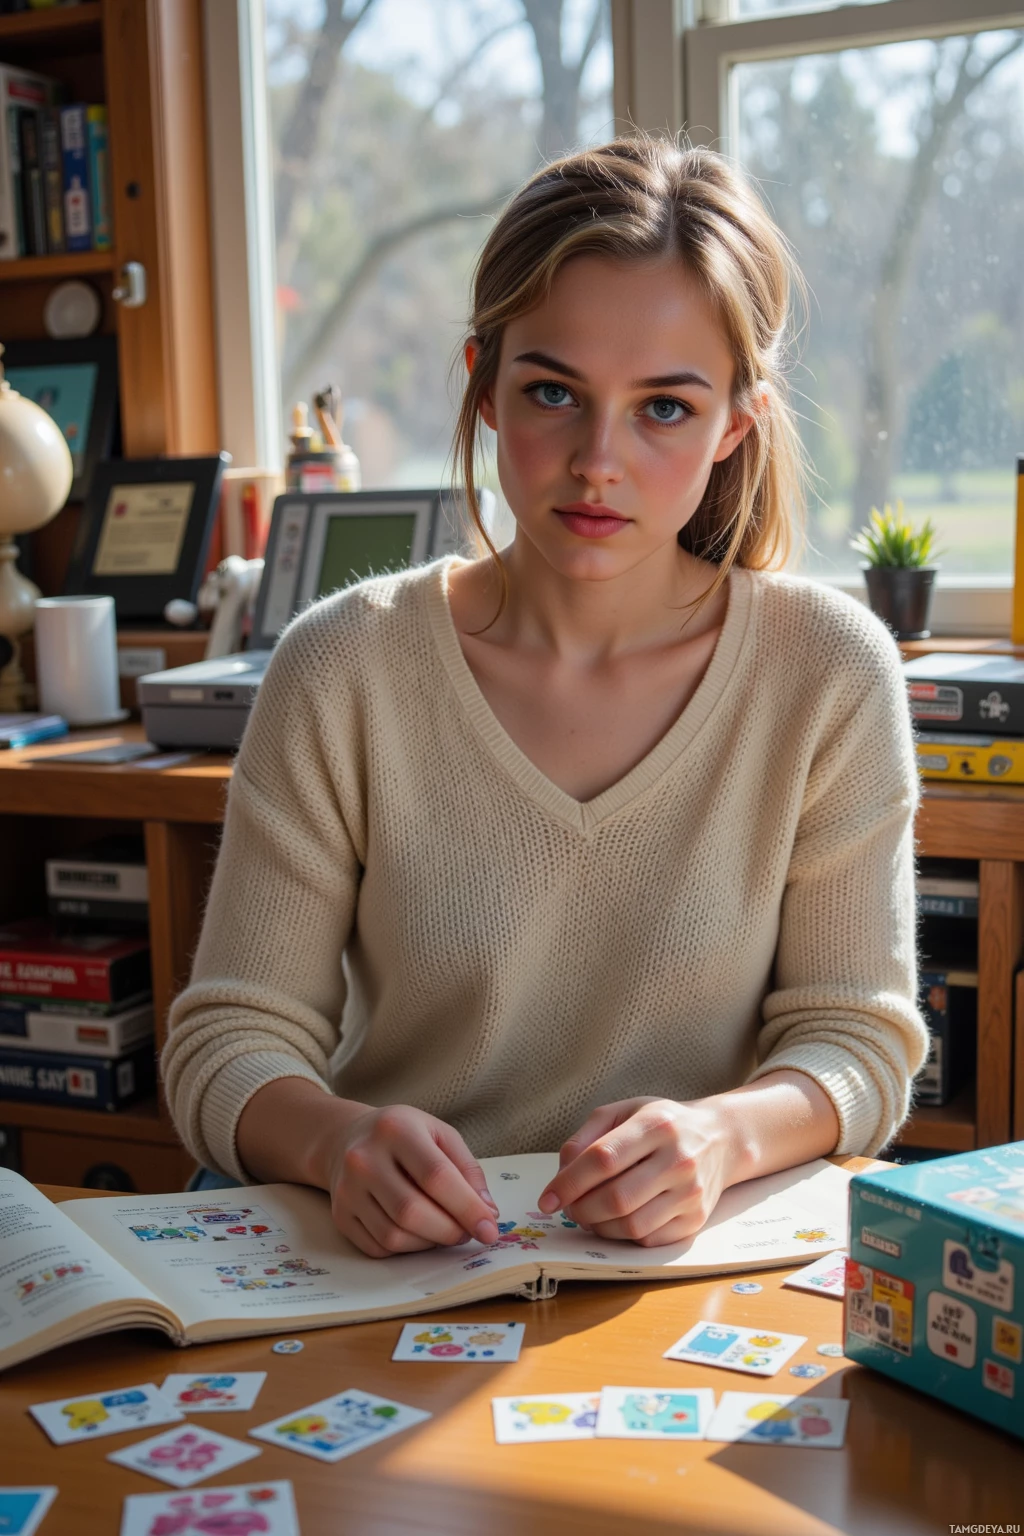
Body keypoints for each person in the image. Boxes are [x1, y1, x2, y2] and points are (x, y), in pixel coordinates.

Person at [164, 135, 926, 1257]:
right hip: (390, 1270)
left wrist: (722, 1138)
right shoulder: (342, 668)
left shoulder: (828, 671)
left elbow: (855, 1042)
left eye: (663, 407)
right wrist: (336, 1143)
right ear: (484, 387)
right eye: (553, 392)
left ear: (735, 424)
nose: (596, 461)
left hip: (675, 1275)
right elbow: (229, 1038)